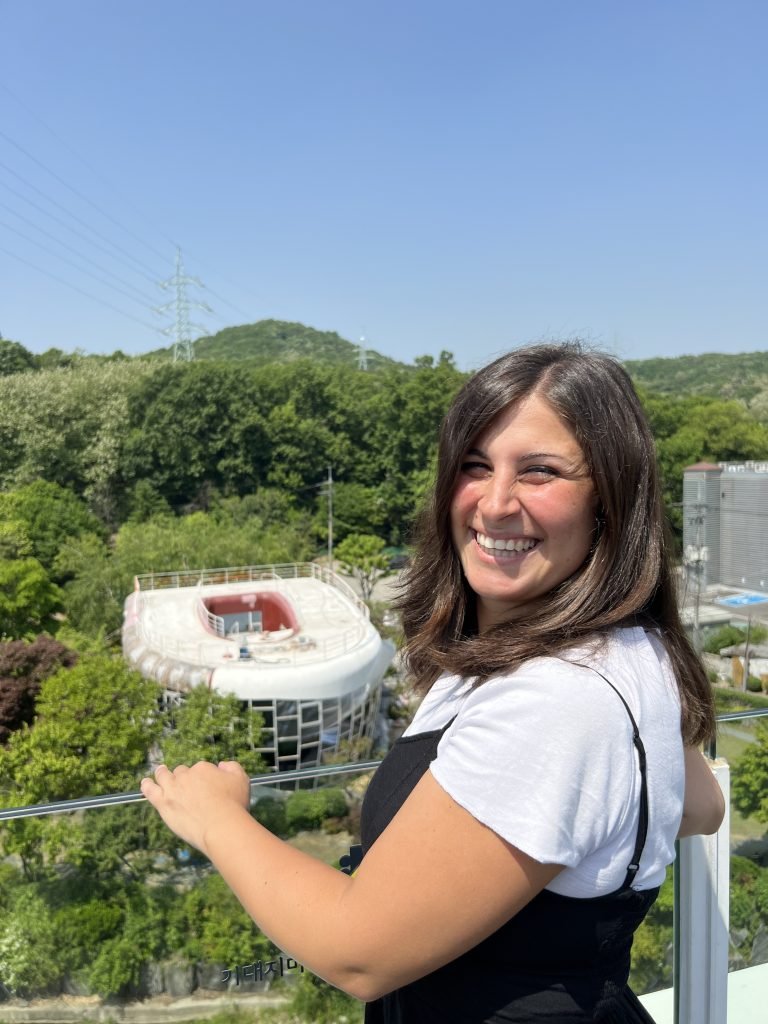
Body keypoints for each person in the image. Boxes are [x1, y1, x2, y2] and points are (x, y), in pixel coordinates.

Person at [142, 342, 724, 1023]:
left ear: (611, 502)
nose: (496, 502)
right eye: (475, 465)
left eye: (540, 472)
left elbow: (357, 952)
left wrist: (216, 817)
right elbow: (702, 805)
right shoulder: (625, 650)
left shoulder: (559, 697)